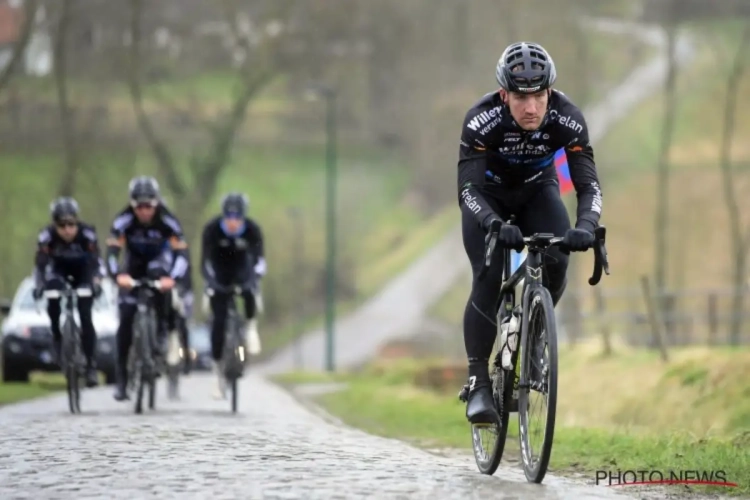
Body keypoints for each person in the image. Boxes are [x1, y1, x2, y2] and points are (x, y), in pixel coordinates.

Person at [457, 42, 603, 424]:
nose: (531, 107)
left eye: (539, 95)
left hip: (538, 188)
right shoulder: (481, 120)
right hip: (487, 195)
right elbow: (467, 190)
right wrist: (492, 224)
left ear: (549, 92)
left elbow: (588, 184)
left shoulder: (567, 118)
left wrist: (585, 227)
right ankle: (478, 382)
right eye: (521, 97)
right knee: (487, 276)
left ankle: (536, 334)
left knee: (557, 257)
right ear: (504, 94)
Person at [106, 176, 189, 401]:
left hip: (158, 267)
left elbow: (182, 254)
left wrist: (173, 277)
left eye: (149, 206)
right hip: (131, 270)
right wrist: (117, 275)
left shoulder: (168, 220)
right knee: (125, 321)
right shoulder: (123, 220)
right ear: (133, 205)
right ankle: (122, 380)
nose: (144, 211)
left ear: (156, 203)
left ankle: (161, 335)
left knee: (163, 290)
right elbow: (112, 253)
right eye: (139, 207)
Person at [200, 192, 265, 398]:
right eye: (229, 217)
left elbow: (260, 261)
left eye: (237, 217)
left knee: (249, 293)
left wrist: (254, 279)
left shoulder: (253, 231)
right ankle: (217, 369)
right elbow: (204, 262)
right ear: (224, 215)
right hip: (220, 274)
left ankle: (251, 326)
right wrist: (211, 283)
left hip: (243, 271)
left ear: (243, 217)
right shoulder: (211, 230)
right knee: (218, 321)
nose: (233, 222)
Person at [33, 197, 102, 388]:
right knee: (53, 296)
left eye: (71, 224)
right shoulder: (46, 237)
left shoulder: (88, 234)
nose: (67, 230)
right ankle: (57, 337)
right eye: (62, 225)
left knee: (86, 316)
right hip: (58, 271)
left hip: (83, 272)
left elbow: (97, 262)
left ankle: (90, 366)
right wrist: (39, 286)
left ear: (77, 222)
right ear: (54, 225)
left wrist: (97, 282)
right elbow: (40, 266)